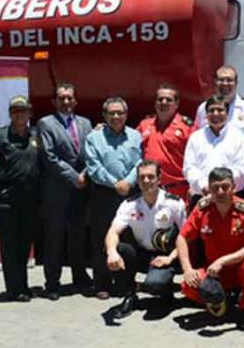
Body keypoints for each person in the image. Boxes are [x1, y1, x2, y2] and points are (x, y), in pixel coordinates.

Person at [176, 167, 244, 331]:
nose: (221, 191)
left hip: (239, 269)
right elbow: (182, 237)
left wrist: (223, 261)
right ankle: (221, 299)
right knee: (187, 287)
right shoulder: (202, 208)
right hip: (214, 273)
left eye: (225, 187)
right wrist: (187, 269)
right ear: (209, 189)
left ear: (234, 188)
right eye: (215, 187)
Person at [104, 160, 186, 319]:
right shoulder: (129, 204)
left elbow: (186, 236)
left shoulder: (174, 203)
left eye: (151, 177)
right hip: (141, 254)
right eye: (142, 177)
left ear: (159, 179)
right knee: (117, 249)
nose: (146, 181)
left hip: (166, 255)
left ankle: (166, 293)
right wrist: (112, 252)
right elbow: (113, 231)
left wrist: (170, 258)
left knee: (154, 285)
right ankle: (130, 296)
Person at [0, 95, 41, 302]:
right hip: (7, 200)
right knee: (9, 244)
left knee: (25, 244)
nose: (19, 114)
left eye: (23, 110)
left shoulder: (36, 135)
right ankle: (13, 289)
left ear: (29, 113)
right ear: (9, 114)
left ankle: (23, 285)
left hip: (31, 199)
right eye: (15, 110)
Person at [37, 83, 93, 300]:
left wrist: (85, 175)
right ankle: (52, 283)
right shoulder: (46, 123)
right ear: (54, 102)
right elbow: (49, 157)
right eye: (62, 98)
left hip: (81, 190)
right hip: (57, 191)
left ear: (75, 100)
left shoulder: (85, 123)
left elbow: (91, 152)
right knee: (55, 238)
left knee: (78, 235)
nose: (66, 102)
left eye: (70, 98)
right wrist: (74, 177)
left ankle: (79, 276)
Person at [83, 96, 142, 299]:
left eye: (120, 113)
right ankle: (102, 284)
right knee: (101, 238)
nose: (116, 116)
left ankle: (126, 283)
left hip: (129, 193)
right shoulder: (93, 138)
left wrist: (128, 182)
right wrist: (115, 183)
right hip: (104, 194)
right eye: (111, 113)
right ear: (104, 115)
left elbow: (140, 163)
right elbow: (93, 166)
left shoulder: (136, 136)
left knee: (127, 239)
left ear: (126, 115)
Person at [195, 66, 244, 199]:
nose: (225, 84)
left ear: (236, 83)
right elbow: (199, 140)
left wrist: (239, 160)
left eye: (229, 80)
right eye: (221, 80)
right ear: (214, 82)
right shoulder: (203, 108)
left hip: (239, 178)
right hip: (209, 178)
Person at [183, 95, 244, 203]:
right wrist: (204, 186)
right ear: (206, 114)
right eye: (211, 110)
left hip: (232, 197)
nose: (215, 114)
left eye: (220, 110)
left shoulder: (239, 138)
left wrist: (220, 187)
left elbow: (240, 169)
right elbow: (189, 167)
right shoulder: (196, 138)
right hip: (202, 196)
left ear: (227, 113)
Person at [137, 84, 194, 200]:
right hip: (150, 188)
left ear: (176, 104)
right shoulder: (145, 124)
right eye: (160, 99)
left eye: (168, 100)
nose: (163, 102)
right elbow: (128, 141)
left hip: (178, 190)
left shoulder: (186, 128)